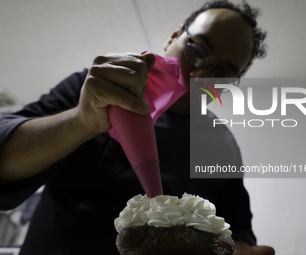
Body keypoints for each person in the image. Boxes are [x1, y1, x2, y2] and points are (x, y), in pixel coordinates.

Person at [0, 1, 274, 254]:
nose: (201, 76)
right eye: (197, 51)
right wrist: (80, 121)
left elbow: (236, 230)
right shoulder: (95, 88)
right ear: (173, 37)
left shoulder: (223, 143)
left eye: (222, 75)